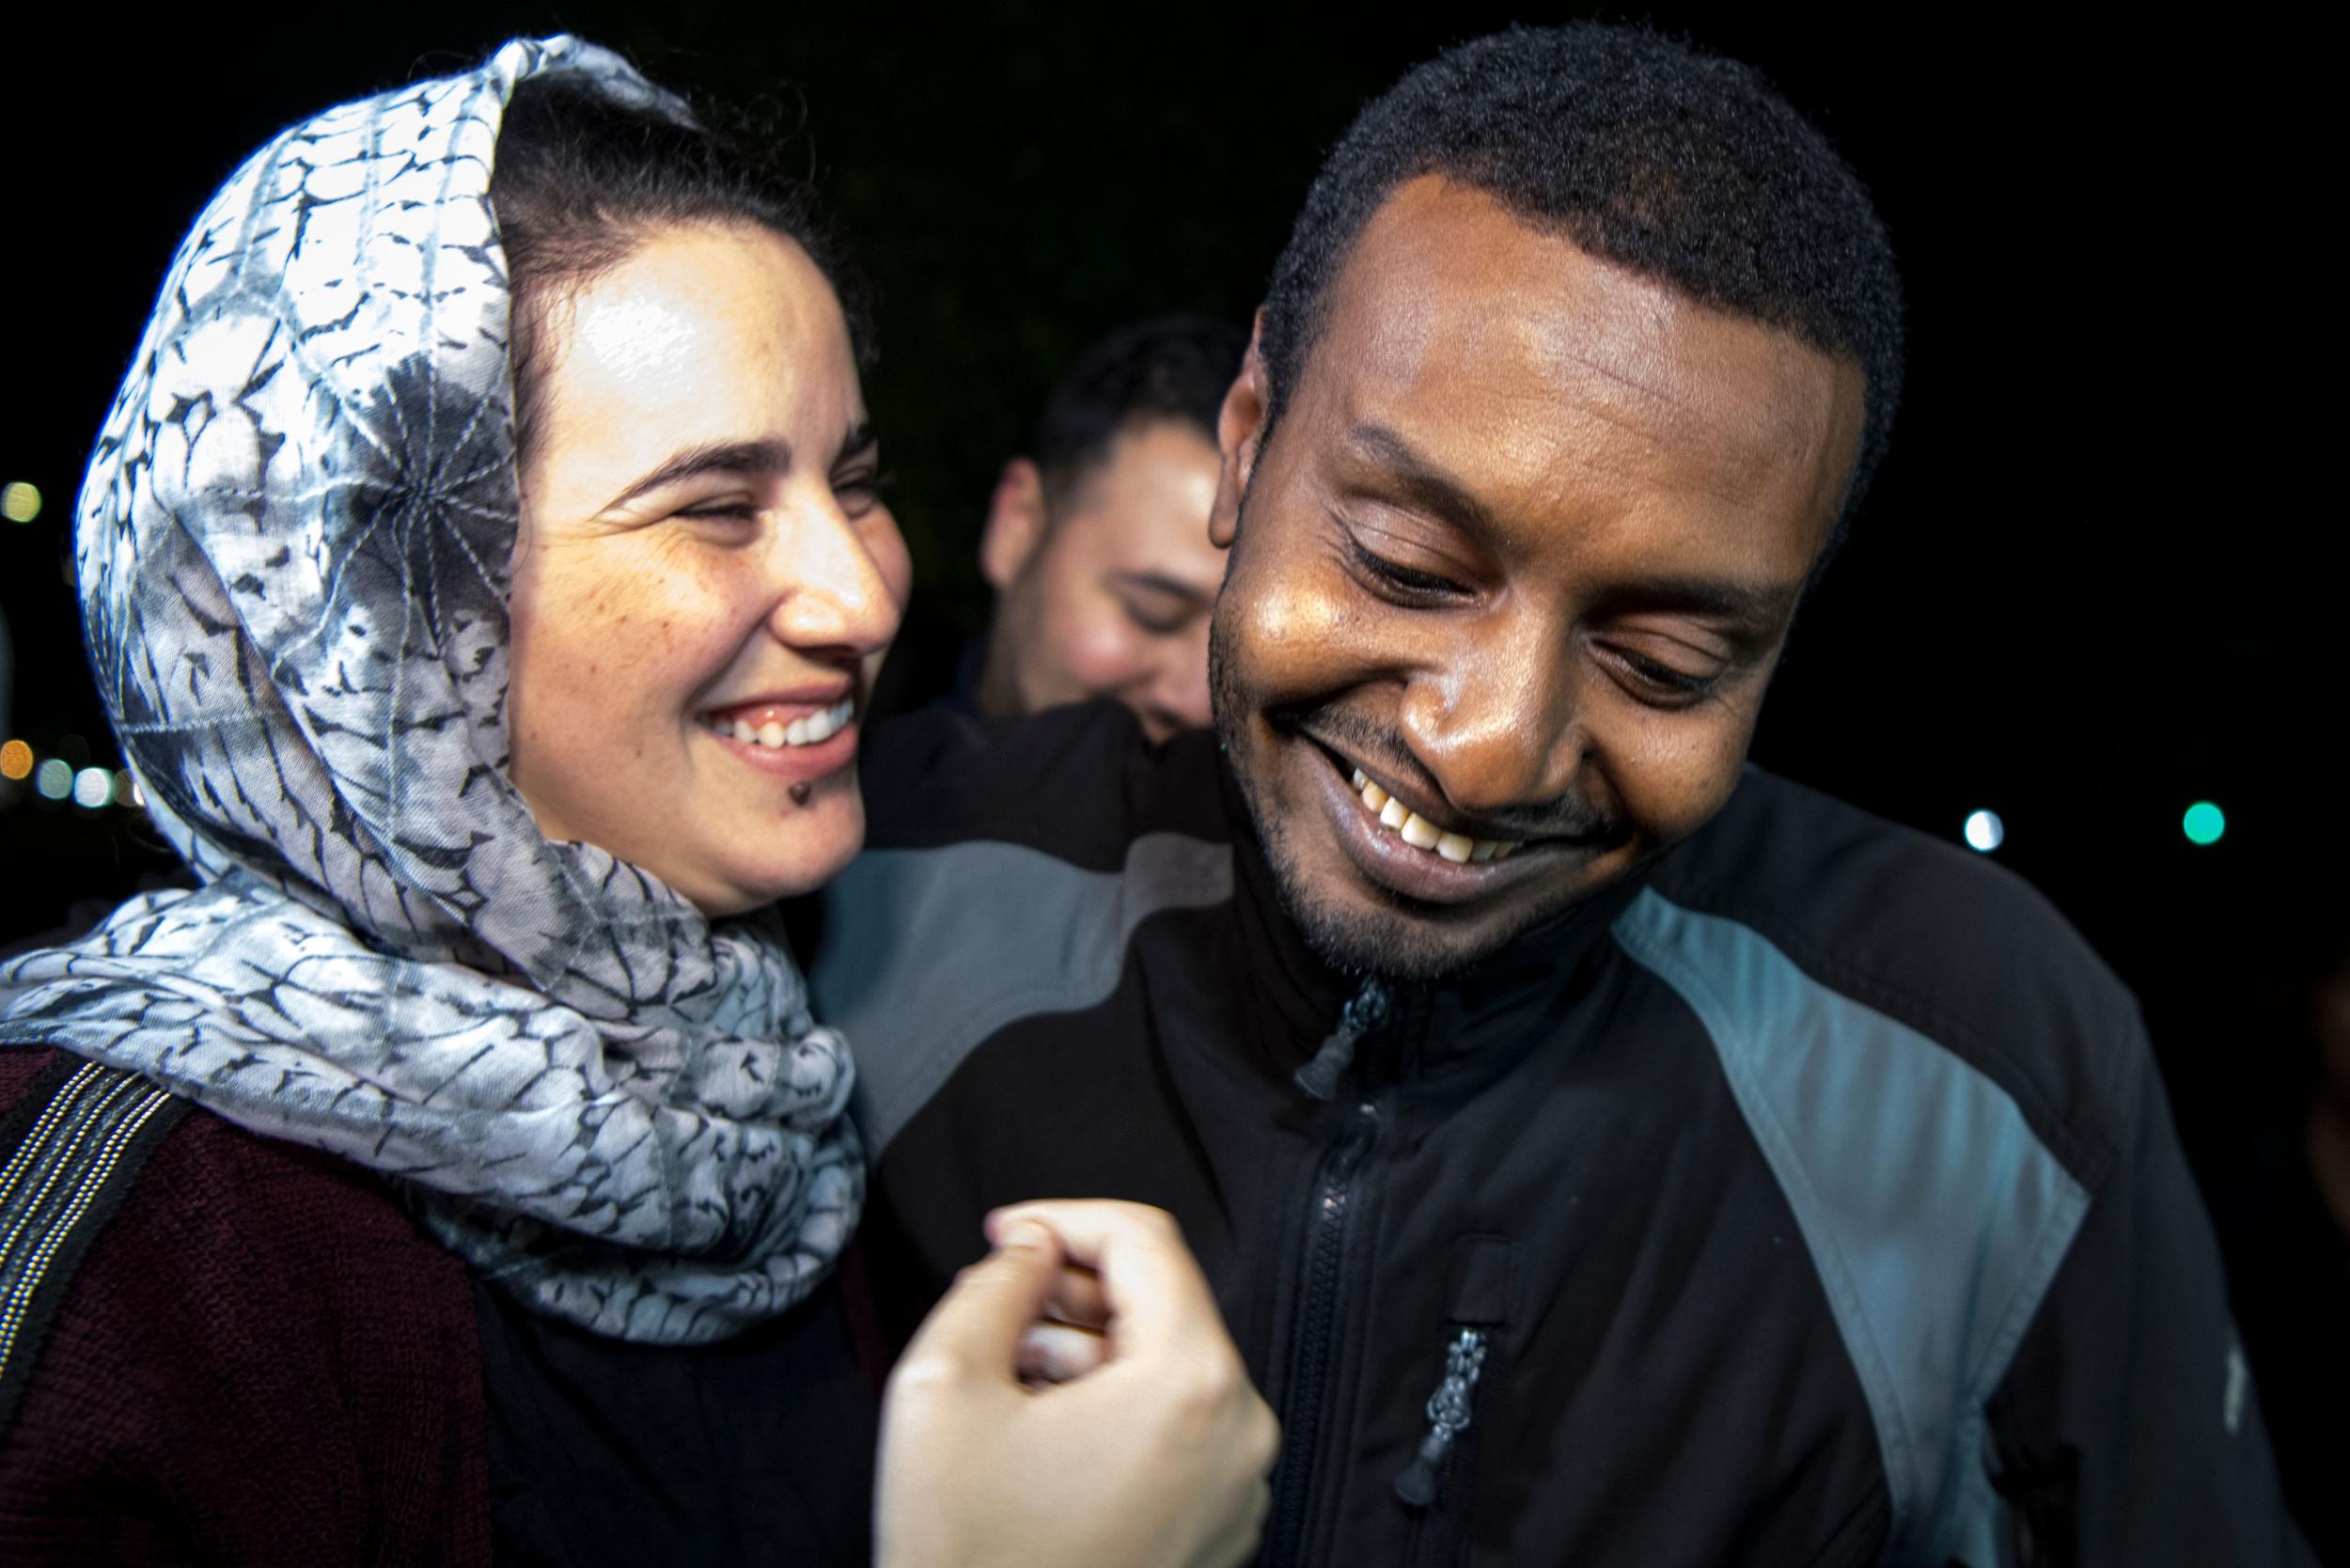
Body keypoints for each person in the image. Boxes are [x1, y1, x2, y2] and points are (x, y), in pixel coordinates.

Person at [808, 24, 2315, 1566]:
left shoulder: (1992, 1080)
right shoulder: (864, 890)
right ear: (1248, 444)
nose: (1491, 746)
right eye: (1406, 564)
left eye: (1663, 660)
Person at [0, 38, 1274, 1567]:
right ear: (385, 613)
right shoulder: (131, 1254)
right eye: (718, 506)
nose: (861, 594)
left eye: (851, 479)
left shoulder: (775, 1092)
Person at [963, 315, 1245, 740]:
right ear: (1015, 527)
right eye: (1154, 613)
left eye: (1241, 659)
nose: (1196, 703)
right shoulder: (867, 786)